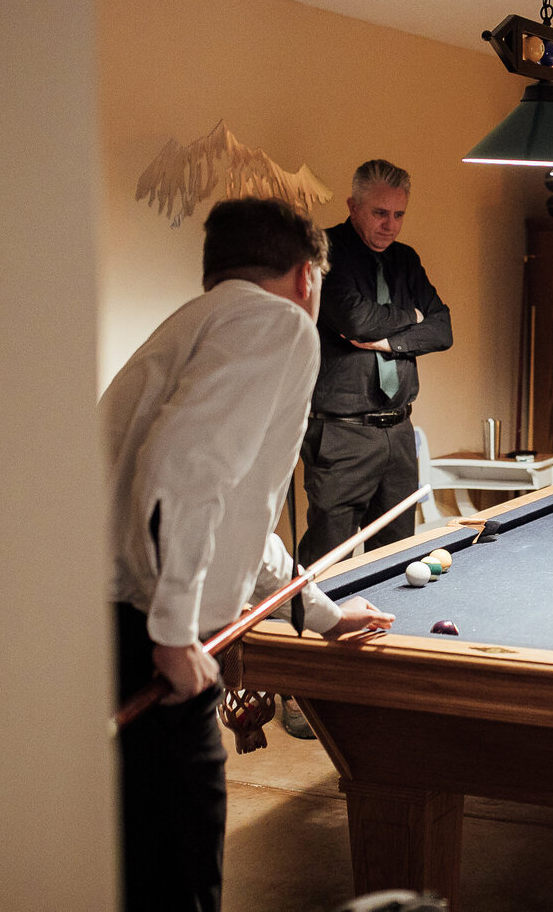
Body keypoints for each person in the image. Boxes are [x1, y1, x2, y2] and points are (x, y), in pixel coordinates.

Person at [107, 197, 396, 911]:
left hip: (109, 625)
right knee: (177, 874)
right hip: (139, 636)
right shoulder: (280, 326)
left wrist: (321, 612)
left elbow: (233, 512)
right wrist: (173, 635)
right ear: (307, 277)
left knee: (144, 865)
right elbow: (185, 472)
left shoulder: (200, 323)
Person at [298, 159, 452, 565]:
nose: (391, 225)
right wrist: (410, 317)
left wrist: (385, 342)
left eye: (399, 214)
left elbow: (443, 329)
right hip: (341, 433)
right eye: (379, 213)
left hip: (400, 431)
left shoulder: (405, 260)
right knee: (328, 563)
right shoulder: (323, 251)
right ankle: (311, 629)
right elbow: (355, 321)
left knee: (398, 560)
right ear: (353, 206)